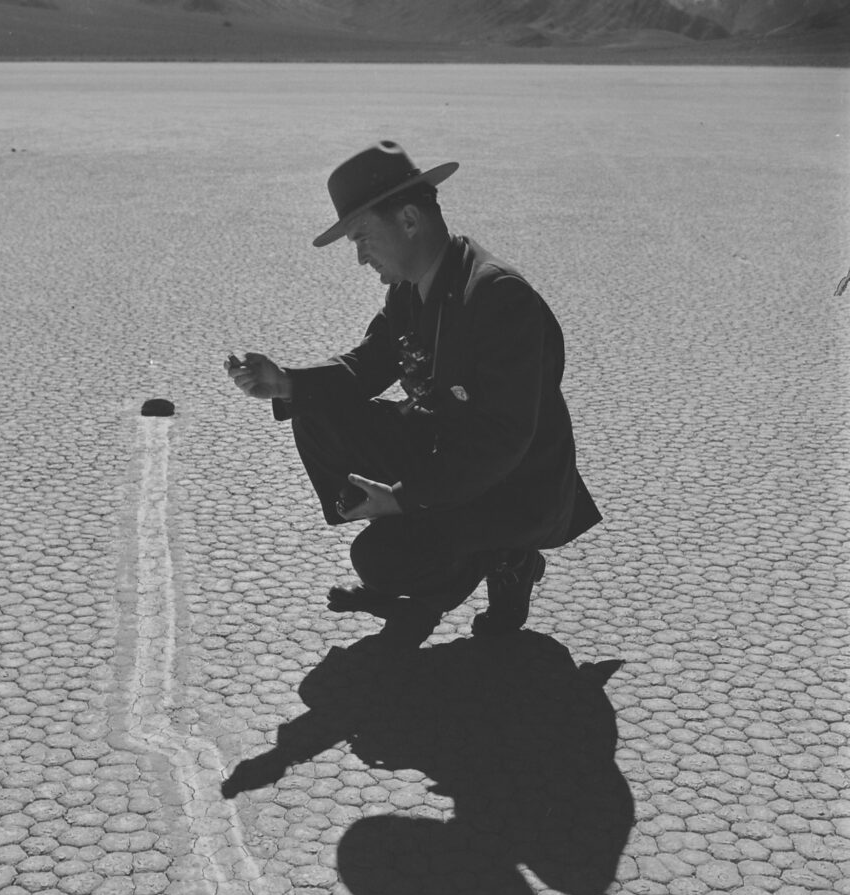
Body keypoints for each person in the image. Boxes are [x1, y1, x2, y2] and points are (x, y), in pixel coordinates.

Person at [228, 140, 601, 646]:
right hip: (447, 456)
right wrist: (288, 382)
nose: (360, 258)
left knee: (380, 558)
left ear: (407, 219)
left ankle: (501, 560)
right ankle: (425, 565)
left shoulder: (497, 297)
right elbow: (366, 366)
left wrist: (404, 501)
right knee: (314, 410)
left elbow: (503, 443)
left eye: (362, 237)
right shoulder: (409, 289)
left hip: (514, 489)